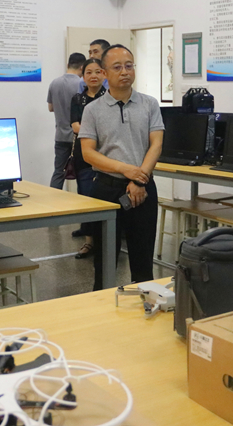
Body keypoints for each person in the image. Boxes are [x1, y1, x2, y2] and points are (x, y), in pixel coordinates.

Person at [79, 45, 164, 290]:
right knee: (104, 261)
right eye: (117, 67)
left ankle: (145, 303)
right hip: (106, 189)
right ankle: (102, 306)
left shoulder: (149, 104)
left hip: (143, 188)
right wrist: (126, 169)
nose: (124, 72)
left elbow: (156, 144)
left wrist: (138, 179)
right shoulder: (92, 110)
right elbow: (88, 153)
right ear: (105, 73)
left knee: (143, 259)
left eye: (129, 66)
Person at [70, 58, 107, 258]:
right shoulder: (77, 99)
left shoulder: (109, 97)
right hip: (84, 155)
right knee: (86, 197)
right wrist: (96, 131)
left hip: (106, 154)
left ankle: (106, 240)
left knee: (104, 198)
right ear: (83, 76)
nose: (93, 76)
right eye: (89, 72)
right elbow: (75, 125)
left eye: (97, 72)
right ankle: (89, 241)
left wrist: (91, 131)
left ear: (104, 74)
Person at [47, 52, 85, 189]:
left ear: (68, 64)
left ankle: (53, 200)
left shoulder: (54, 83)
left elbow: (50, 108)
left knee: (58, 172)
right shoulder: (82, 84)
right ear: (82, 67)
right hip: (79, 137)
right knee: (82, 174)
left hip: (60, 136)